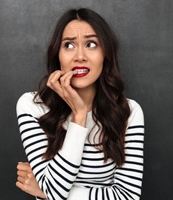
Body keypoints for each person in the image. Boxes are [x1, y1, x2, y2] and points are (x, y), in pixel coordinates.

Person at [16, 8, 144, 200]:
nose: (80, 56)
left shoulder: (129, 111)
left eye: (91, 44)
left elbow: (128, 196)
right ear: (57, 55)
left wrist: (43, 190)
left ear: (105, 54)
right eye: (68, 45)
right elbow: (55, 191)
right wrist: (79, 116)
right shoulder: (32, 105)